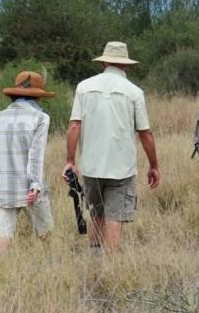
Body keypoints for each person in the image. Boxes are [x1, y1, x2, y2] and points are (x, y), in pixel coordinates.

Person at [62, 42, 159, 256]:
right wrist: (154, 165)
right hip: (121, 168)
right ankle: (111, 265)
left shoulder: (83, 87)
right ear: (126, 65)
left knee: (96, 213)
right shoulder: (134, 92)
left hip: (91, 166)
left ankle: (95, 260)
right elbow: (145, 133)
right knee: (114, 216)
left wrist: (70, 160)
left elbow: (74, 125)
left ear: (104, 62)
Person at [0, 70, 55, 251]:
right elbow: (36, 156)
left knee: (3, 238)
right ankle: (51, 265)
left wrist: (3, 168)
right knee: (46, 236)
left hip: (2, 186)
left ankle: (2, 269)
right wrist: (35, 184)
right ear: (38, 97)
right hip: (31, 188)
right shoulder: (41, 118)